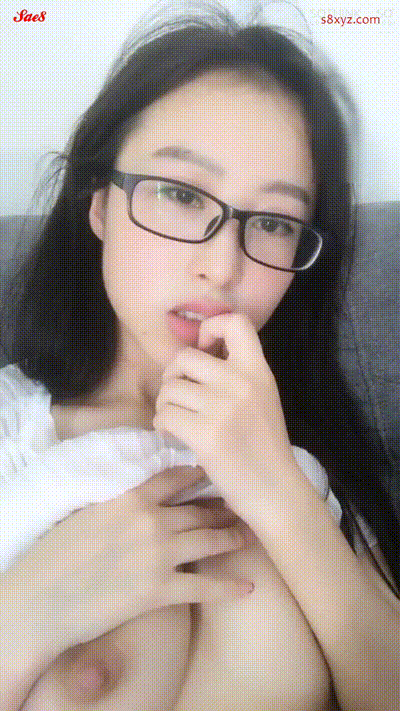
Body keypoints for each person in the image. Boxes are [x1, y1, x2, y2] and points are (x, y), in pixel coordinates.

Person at [1, 5, 399, 711]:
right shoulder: (14, 431)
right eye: (181, 194)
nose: (221, 266)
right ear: (99, 206)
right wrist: (26, 612)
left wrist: (273, 482)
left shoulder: (311, 454)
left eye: (273, 222)